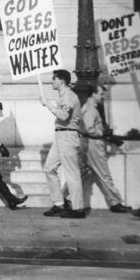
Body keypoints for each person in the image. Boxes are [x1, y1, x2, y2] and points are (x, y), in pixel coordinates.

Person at [79, 84, 131, 213]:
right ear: (94, 94)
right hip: (94, 144)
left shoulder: (89, 107)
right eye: (101, 94)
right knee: (104, 174)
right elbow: (89, 129)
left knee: (81, 174)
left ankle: (66, 198)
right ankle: (115, 202)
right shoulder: (90, 109)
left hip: (88, 144)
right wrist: (103, 134)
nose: (102, 97)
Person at [41, 69, 85, 218]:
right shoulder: (63, 96)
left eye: (54, 79)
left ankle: (78, 208)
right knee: (49, 168)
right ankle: (59, 204)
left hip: (68, 135)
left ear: (61, 81)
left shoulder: (69, 96)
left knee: (71, 172)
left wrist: (48, 104)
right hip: (60, 135)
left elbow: (64, 116)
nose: (51, 82)